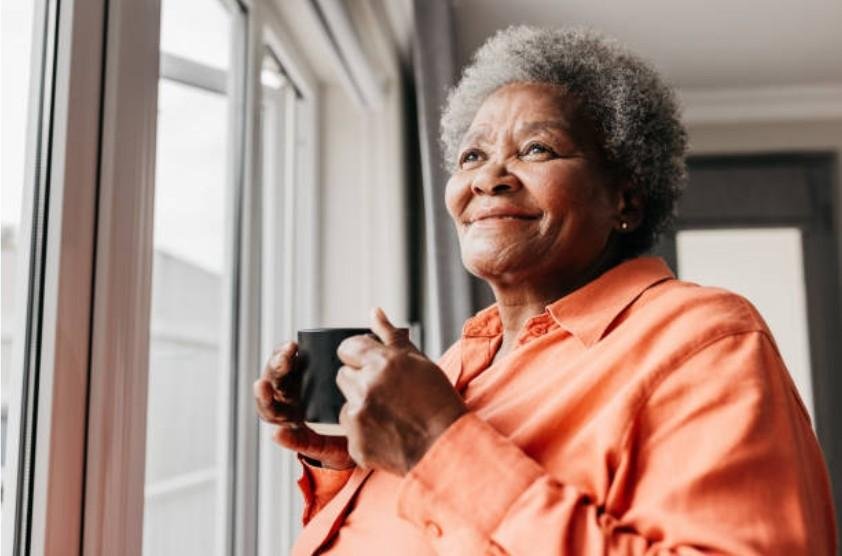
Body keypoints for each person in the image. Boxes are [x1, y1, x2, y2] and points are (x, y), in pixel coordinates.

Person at [254, 26, 837, 554]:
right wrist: (349, 459)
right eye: (472, 155)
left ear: (625, 201)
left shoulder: (703, 337)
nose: (488, 178)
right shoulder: (461, 361)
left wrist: (437, 442)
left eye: (536, 149)